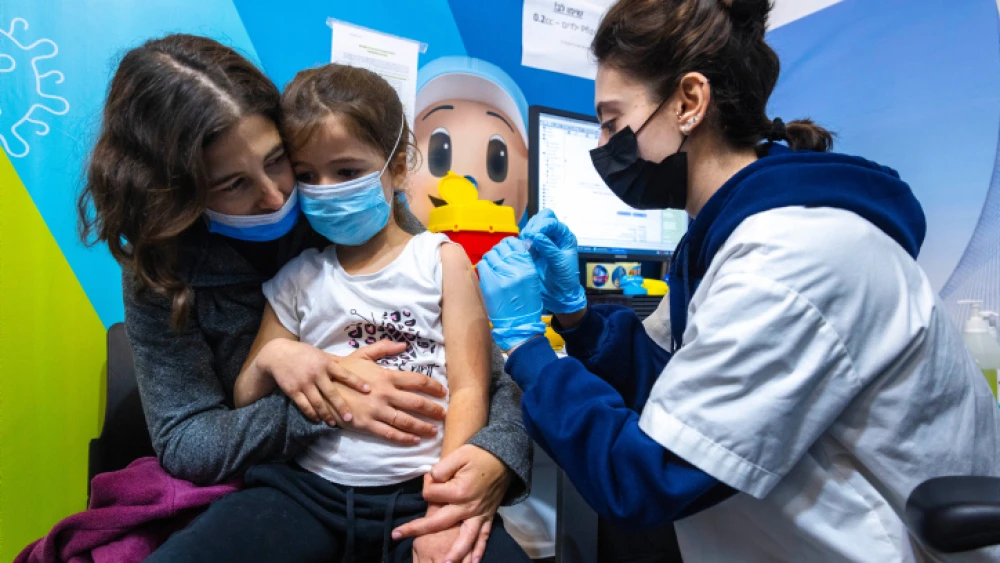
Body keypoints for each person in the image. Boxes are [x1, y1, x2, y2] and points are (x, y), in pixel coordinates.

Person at [475, 0, 1000, 561]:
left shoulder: (794, 257)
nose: (602, 147)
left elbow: (643, 478)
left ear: (689, 102)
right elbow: (667, 380)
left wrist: (528, 348)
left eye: (611, 121)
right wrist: (578, 320)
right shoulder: (726, 238)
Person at [78, 34, 531, 562]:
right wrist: (315, 391)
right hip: (299, 487)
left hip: (416, 486)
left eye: (278, 161)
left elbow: (482, 379)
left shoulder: (378, 228)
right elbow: (187, 441)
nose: (277, 195)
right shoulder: (166, 270)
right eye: (232, 184)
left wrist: (491, 463)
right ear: (178, 194)